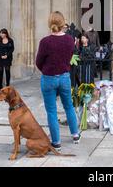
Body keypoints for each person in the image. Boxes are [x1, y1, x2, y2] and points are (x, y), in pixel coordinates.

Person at [36, 11, 81, 151]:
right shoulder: (69, 40)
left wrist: (47, 70)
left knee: (51, 111)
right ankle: (75, 134)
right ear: (63, 23)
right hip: (64, 77)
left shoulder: (45, 41)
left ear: (50, 23)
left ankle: (56, 142)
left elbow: (39, 62)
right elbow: (68, 57)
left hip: (49, 78)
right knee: (69, 106)